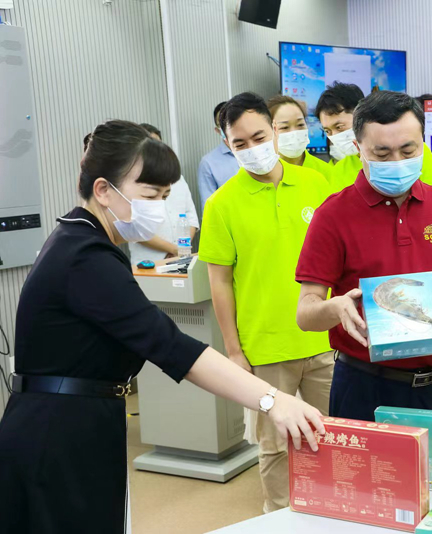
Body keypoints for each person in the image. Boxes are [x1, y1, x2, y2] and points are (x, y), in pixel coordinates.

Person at [0, 121, 325, 534]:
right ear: (103, 190)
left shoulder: (82, 240)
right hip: (57, 432)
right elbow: (171, 346)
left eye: (165, 197)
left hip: (75, 421)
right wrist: (272, 400)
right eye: (150, 196)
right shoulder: (84, 257)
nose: (159, 209)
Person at [295, 91, 432, 422]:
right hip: (363, 385)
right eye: (382, 153)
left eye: (408, 150)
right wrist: (335, 308)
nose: (397, 162)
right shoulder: (332, 215)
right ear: (358, 148)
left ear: (423, 144)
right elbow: (305, 314)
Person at [199, 92, 333, 514]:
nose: (252, 148)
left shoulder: (317, 183)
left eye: (259, 137)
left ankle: (333, 515)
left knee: (333, 437)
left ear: (274, 130)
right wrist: (234, 352)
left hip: (325, 339)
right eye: (239, 143)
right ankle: (278, 517)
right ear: (227, 144)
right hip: (265, 347)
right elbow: (220, 282)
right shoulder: (222, 204)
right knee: (275, 448)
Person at [316, 82, 432, 193]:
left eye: (339, 127)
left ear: (360, 116)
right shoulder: (339, 171)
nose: (334, 136)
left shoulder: (415, 154)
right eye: (328, 131)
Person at [129, 123, 199, 265]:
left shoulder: (179, 179)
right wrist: (172, 249)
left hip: (181, 257)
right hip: (149, 261)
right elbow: (133, 228)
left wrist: (181, 249)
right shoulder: (132, 184)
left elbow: (191, 218)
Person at [266, 95, 332, 182]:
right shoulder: (265, 174)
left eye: (300, 125)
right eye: (285, 127)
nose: (294, 132)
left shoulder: (326, 172)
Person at [197, 101, 241, 212]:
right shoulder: (208, 163)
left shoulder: (255, 151)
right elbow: (208, 207)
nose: (229, 126)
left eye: (232, 120)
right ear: (217, 130)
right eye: (223, 123)